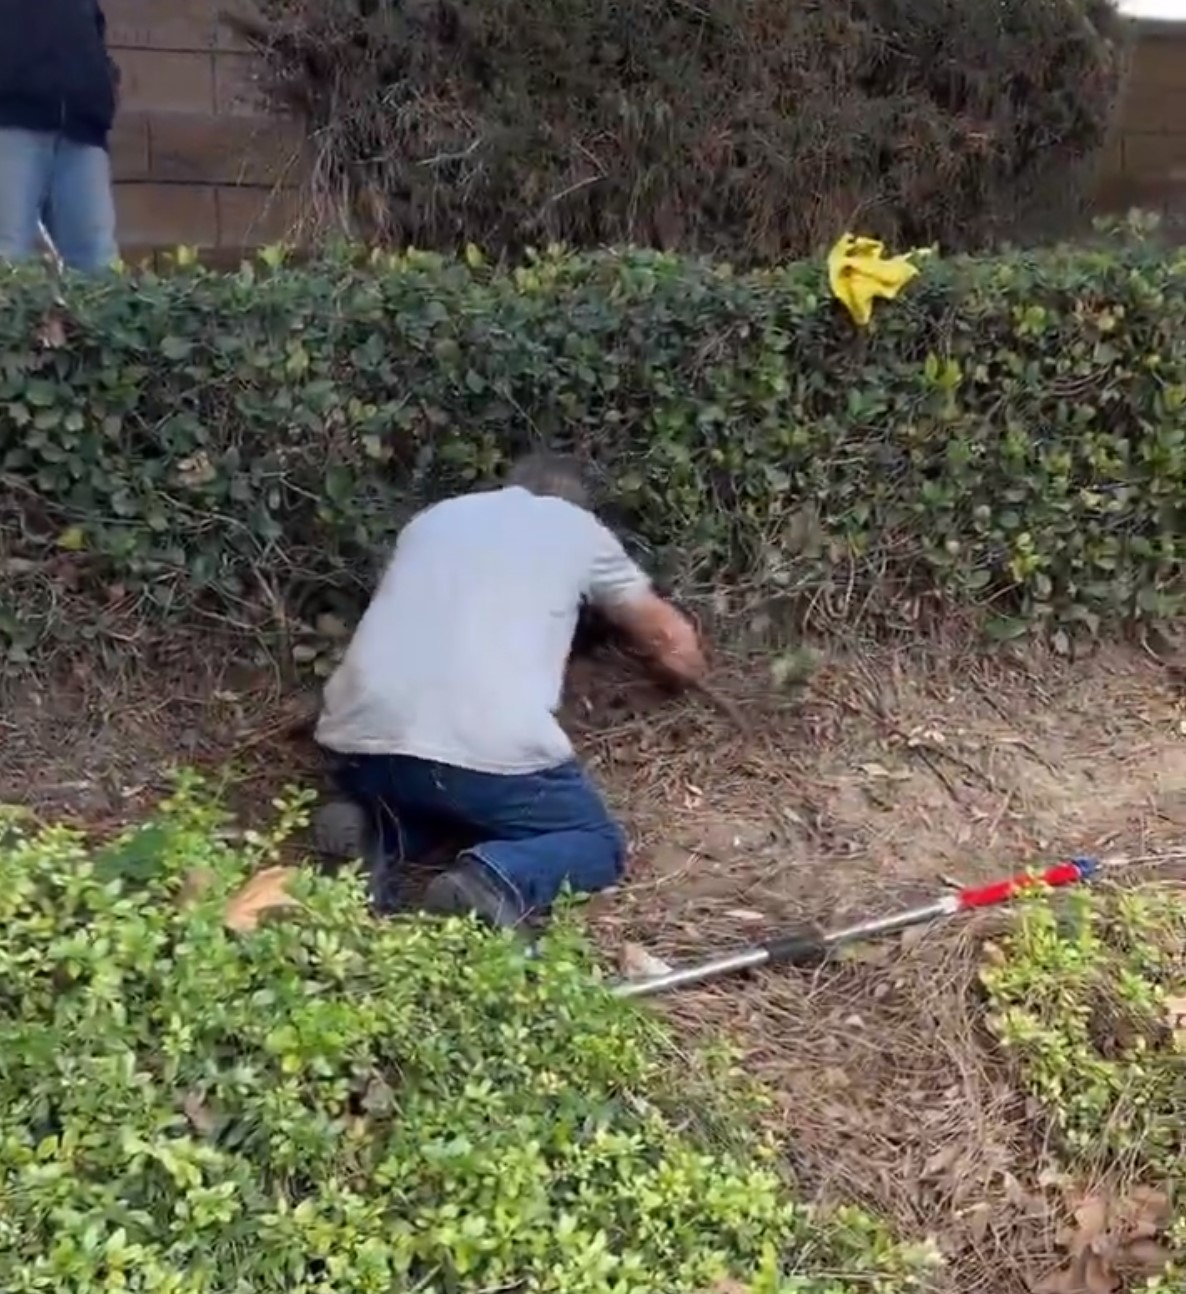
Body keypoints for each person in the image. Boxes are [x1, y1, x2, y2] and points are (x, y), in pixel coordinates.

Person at [313, 452, 707, 927]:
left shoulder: (435, 518)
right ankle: (492, 880)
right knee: (594, 842)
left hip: (361, 739)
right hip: (484, 745)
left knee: (445, 796)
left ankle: (372, 832)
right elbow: (667, 639)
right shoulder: (577, 529)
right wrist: (685, 673)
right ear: (578, 503)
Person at [0, 0, 120, 272]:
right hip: (10, 123)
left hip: (82, 131)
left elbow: (94, 29)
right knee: (7, 256)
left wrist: (103, 86)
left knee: (98, 263)